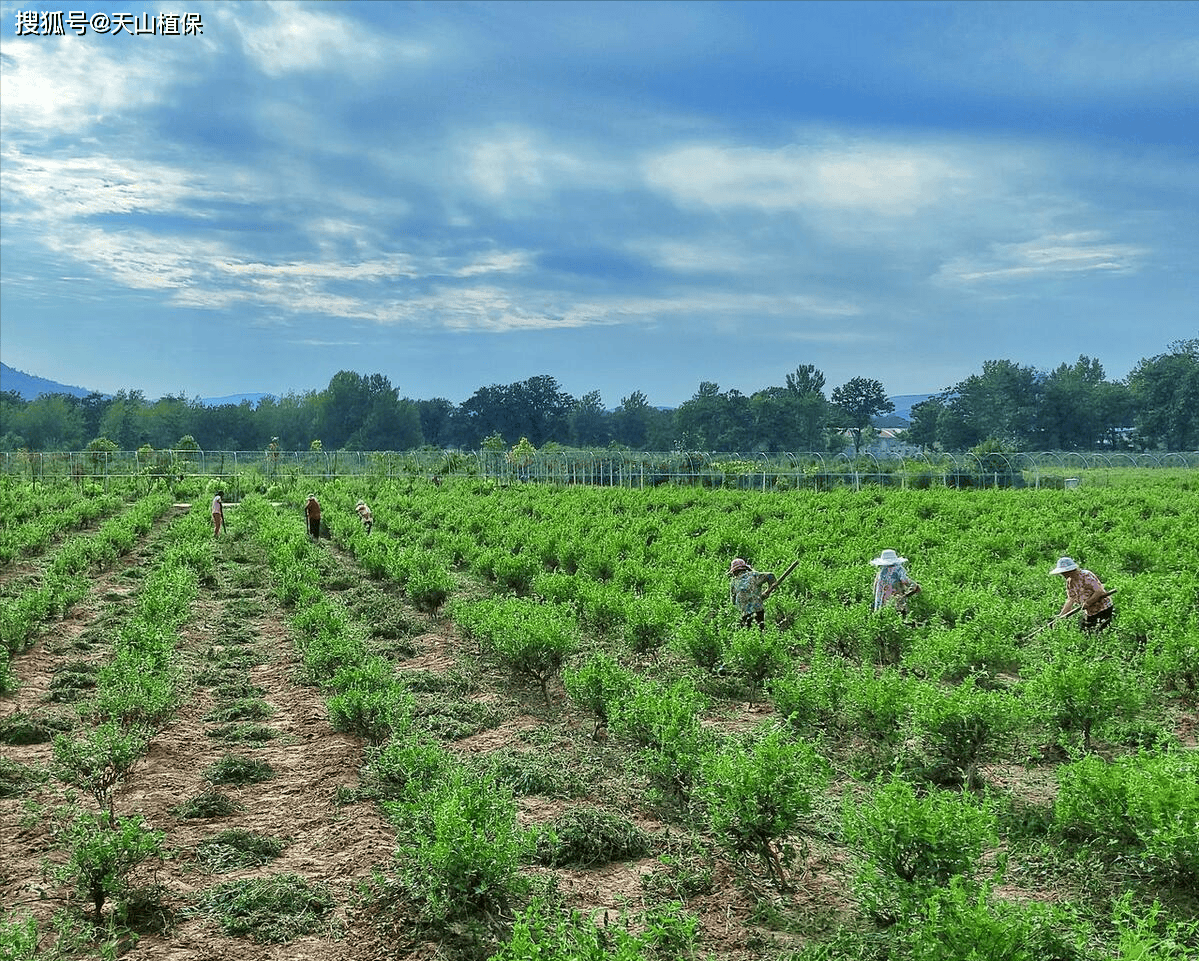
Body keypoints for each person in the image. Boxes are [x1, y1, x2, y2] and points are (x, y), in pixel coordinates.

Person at [1049, 556, 1113, 632]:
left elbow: (1099, 591)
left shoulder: (1086, 575)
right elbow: (1071, 599)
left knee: (1101, 632)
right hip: (1090, 612)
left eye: (1064, 572)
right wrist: (1061, 615)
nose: (1063, 575)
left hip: (1103, 608)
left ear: (1070, 570)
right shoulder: (1070, 582)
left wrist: (1088, 602)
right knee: (1089, 633)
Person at [728, 557, 777, 631]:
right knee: (761, 628)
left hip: (745, 612)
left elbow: (733, 601)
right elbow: (770, 575)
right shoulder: (754, 576)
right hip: (758, 609)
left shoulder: (734, 583)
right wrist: (770, 590)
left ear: (734, 572)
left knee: (748, 631)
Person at [870, 549, 921, 613]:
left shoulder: (881, 572)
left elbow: (877, 589)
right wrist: (915, 586)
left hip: (883, 600)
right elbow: (905, 581)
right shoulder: (898, 569)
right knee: (901, 614)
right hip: (896, 598)